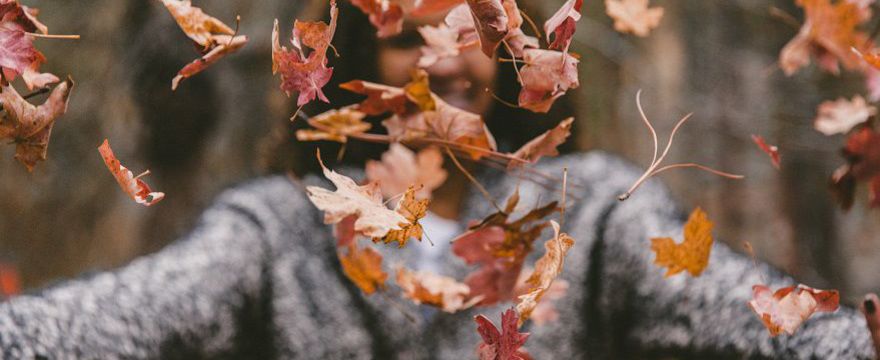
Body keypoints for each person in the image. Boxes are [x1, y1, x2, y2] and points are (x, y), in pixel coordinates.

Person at [0, 2, 878, 359]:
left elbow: (761, 319)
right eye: (404, 34)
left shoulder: (587, 209)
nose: (440, 60)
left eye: (464, 27)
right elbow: (126, 313)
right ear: (351, 65)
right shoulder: (281, 228)